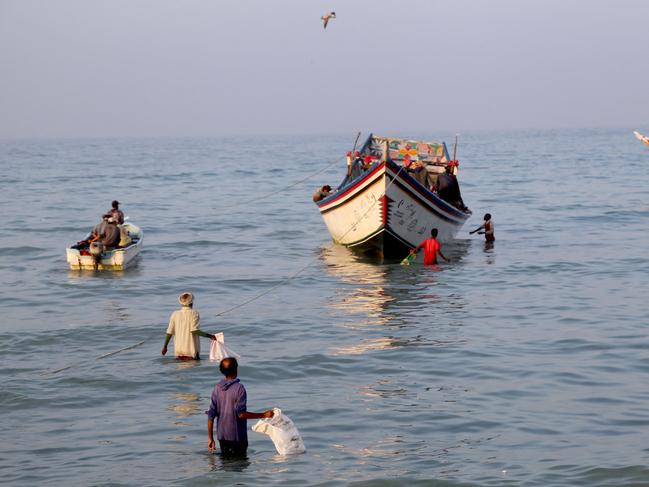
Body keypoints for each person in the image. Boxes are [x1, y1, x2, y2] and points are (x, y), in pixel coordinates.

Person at [207, 357, 275, 456]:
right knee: (239, 467)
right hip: (237, 437)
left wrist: (210, 438)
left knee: (226, 465)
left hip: (222, 436)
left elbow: (211, 415)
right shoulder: (239, 388)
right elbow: (241, 414)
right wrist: (264, 414)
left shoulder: (217, 388)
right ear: (236, 369)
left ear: (222, 371)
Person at [161, 293, 218, 360]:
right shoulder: (194, 313)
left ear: (181, 302)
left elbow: (169, 332)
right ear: (192, 302)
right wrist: (210, 336)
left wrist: (165, 346)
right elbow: (194, 330)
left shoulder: (174, 314)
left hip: (178, 351)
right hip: (191, 351)